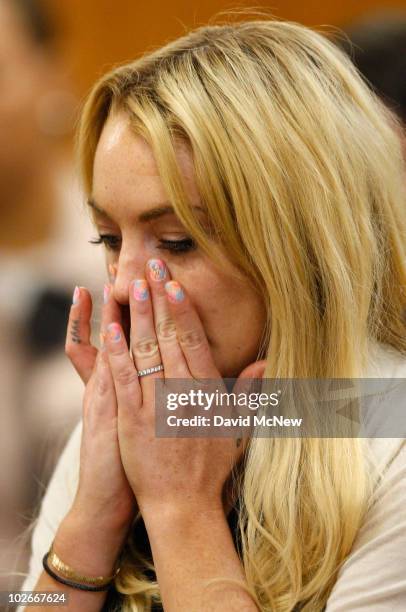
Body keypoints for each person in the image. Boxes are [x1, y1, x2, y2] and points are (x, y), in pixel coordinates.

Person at [17, 17, 406, 611]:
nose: (124, 287)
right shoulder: (141, 415)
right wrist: (90, 524)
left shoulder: (388, 424)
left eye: (175, 242)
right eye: (108, 239)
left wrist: (180, 508)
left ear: (300, 247)